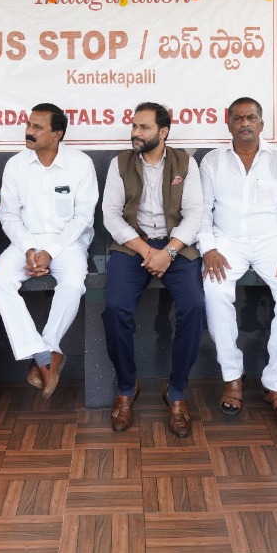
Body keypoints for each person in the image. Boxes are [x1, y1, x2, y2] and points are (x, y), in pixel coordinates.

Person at [199, 97, 277, 421]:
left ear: (262, 124)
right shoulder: (212, 161)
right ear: (228, 123)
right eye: (238, 118)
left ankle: (275, 383)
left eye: (251, 118)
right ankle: (232, 377)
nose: (244, 123)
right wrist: (208, 248)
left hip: (273, 242)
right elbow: (201, 211)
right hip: (226, 241)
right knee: (214, 291)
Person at [101, 102, 204, 437]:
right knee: (115, 309)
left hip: (176, 244)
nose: (135, 132)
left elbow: (195, 214)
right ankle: (126, 387)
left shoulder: (185, 163)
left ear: (163, 132)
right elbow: (111, 214)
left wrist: (169, 252)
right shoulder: (120, 164)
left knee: (194, 306)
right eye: (134, 126)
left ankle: (176, 390)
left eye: (143, 127)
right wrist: (148, 251)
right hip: (134, 245)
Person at [0, 103, 98, 398]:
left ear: (57, 134)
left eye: (37, 127)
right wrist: (29, 248)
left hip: (68, 242)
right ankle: (42, 353)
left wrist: (50, 251)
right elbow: (9, 216)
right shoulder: (16, 165)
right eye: (29, 125)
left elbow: (83, 218)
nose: (29, 131)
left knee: (73, 282)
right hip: (25, 240)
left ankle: (47, 348)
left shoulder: (81, 164)